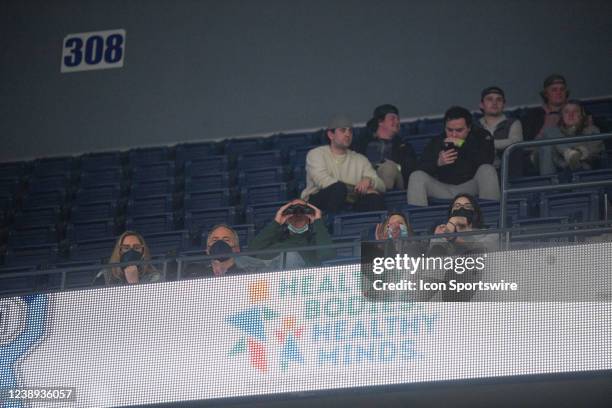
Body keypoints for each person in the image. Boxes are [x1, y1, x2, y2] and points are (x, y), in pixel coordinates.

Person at [406, 106, 499, 206]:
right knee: (416, 176)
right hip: (444, 188)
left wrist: (462, 144)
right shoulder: (437, 141)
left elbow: (486, 160)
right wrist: (438, 162)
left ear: (469, 128)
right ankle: (419, 220)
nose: (454, 135)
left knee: (487, 169)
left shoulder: (480, 136)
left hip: (471, 185)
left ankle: (491, 216)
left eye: (459, 130)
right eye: (450, 130)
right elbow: (419, 167)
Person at [301, 114, 386, 213]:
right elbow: (323, 182)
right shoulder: (316, 154)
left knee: (374, 198)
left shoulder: (360, 159)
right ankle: (328, 224)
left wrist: (370, 181)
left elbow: (382, 186)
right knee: (338, 189)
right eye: (342, 130)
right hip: (317, 204)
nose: (347, 134)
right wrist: (358, 190)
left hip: (351, 202)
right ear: (331, 135)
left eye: (350, 131)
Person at [248, 199, 335, 267]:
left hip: (299, 279)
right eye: (292, 210)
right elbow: (251, 251)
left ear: (309, 218)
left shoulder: (314, 240)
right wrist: (276, 222)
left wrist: (317, 221)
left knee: (290, 256)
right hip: (270, 277)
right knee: (239, 259)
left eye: (303, 210)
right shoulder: (275, 238)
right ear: (286, 219)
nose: (298, 214)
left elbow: (327, 254)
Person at [354, 104, 417, 190]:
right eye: (392, 119)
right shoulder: (362, 142)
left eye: (398, 119)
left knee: (388, 167)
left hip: (393, 181)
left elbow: (410, 171)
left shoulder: (404, 146)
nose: (397, 122)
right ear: (380, 121)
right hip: (367, 178)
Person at [520, 74, 570, 175]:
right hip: (537, 153)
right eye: (554, 90)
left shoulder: (577, 112)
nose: (559, 93)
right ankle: (569, 157)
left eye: (562, 89)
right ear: (546, 94)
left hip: (566, 149)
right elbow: (524, 143)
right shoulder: (532, 115)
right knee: (547, 145)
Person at [539, 100, 602, 175]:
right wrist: (565, 160)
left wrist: (578, 153)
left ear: (581, 116)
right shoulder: (553, 133)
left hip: (582, 172)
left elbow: (593, 152)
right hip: (558, 174)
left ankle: (568, 153)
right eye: (566, 112)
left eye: (575, 111)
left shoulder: (592, 130)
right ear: (562, 116)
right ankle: (568, 153)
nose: (570, 115)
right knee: (549, 136)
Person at [475, 86, 523, 176]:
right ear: (481, 105)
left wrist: (487, 144)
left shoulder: (513, 122)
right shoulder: (474, 125)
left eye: (499, 99)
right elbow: (466, 143)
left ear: (504, 104)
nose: (494, 103)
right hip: (480, 173)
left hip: (507, 172)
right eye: (489, 99)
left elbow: (516, 142)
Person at [429, 193, 498, 253]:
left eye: (467, 206)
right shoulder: (442, 232)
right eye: (457, 206)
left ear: (475, 213)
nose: (461, 209)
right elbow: (435, 257)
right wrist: (444, 233)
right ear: (451, 213)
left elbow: (481, 253)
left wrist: (462, 234)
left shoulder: (490, 233)